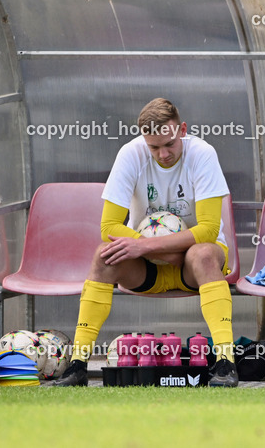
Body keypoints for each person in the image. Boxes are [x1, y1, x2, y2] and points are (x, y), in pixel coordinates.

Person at [54, 98, 237, 386]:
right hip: (146, 269)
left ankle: (226, 363)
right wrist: (153, 250)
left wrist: (149, 247)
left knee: (203, 254)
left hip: (193, 265)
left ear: (183, 130)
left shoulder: (203, 153)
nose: (163, 154)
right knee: (104, 254)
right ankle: (77, 364)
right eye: (154, 147)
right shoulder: (130, 154)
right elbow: (109, 226)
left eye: (170, 144)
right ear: (144, 141)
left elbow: (209, 230)